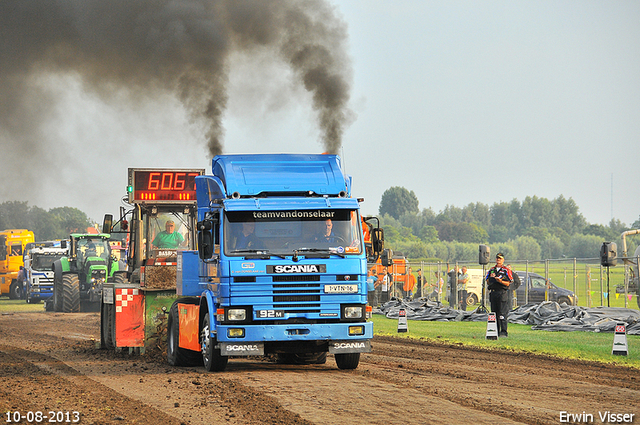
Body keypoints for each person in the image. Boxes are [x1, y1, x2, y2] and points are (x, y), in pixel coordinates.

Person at [486, 253, 513, 337]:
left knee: (502, 313)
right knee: (494, 313)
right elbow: (487, 281)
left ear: (503, 260)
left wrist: (500, 281)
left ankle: (504, 332)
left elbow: (508, 283)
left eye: (500, 259)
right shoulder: (492, 269)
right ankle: (495, 331)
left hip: (502, 293)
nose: (498, 260)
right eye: (497, 258)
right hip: (493, 292)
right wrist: (491, 278)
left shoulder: (506, 270)